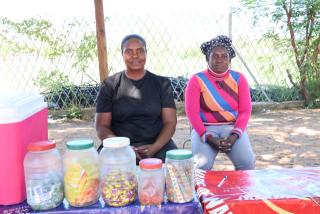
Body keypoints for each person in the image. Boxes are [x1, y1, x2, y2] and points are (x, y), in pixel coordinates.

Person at [95, 34, 177, 163]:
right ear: (122, 54)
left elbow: (170, 123)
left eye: (140, 50)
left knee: (175, 172)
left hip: (158, 145)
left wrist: (154, 148)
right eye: (129, 51)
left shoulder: (162, 83)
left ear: (146, 53)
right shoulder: (110, 85)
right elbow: (101, 126)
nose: (135, 55)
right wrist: (123, 148)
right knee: (105, 174)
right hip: (118, 147)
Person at [184, 35, 255, 170]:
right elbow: (192, 113)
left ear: (230, 60)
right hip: (205, 128)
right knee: (200, 166)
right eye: (215, 56)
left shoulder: (239, 79)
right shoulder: (197, 80)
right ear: (207, 58)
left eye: (224, 56)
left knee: (247, 163)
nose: (219, 60)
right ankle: (203, 191)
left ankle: (239, 191)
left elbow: (245, 111)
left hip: (232, 127)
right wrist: (208, 137)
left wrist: (235, 135)